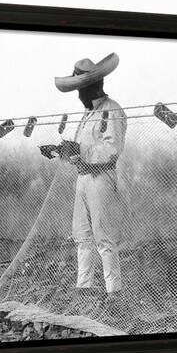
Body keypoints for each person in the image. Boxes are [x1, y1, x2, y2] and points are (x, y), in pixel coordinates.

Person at [49, 53, 127, 308]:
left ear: (90, 87)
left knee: (103, 235)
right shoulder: (87, 115)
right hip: (83, 178)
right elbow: (80, 149)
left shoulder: (112, 109)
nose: (79, 96)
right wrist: (60, 150)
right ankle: (84, 287)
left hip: (101, 178)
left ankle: (113, 291)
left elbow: (111, 148)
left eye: (80, 91)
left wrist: (78, 152)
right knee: (81, 234)